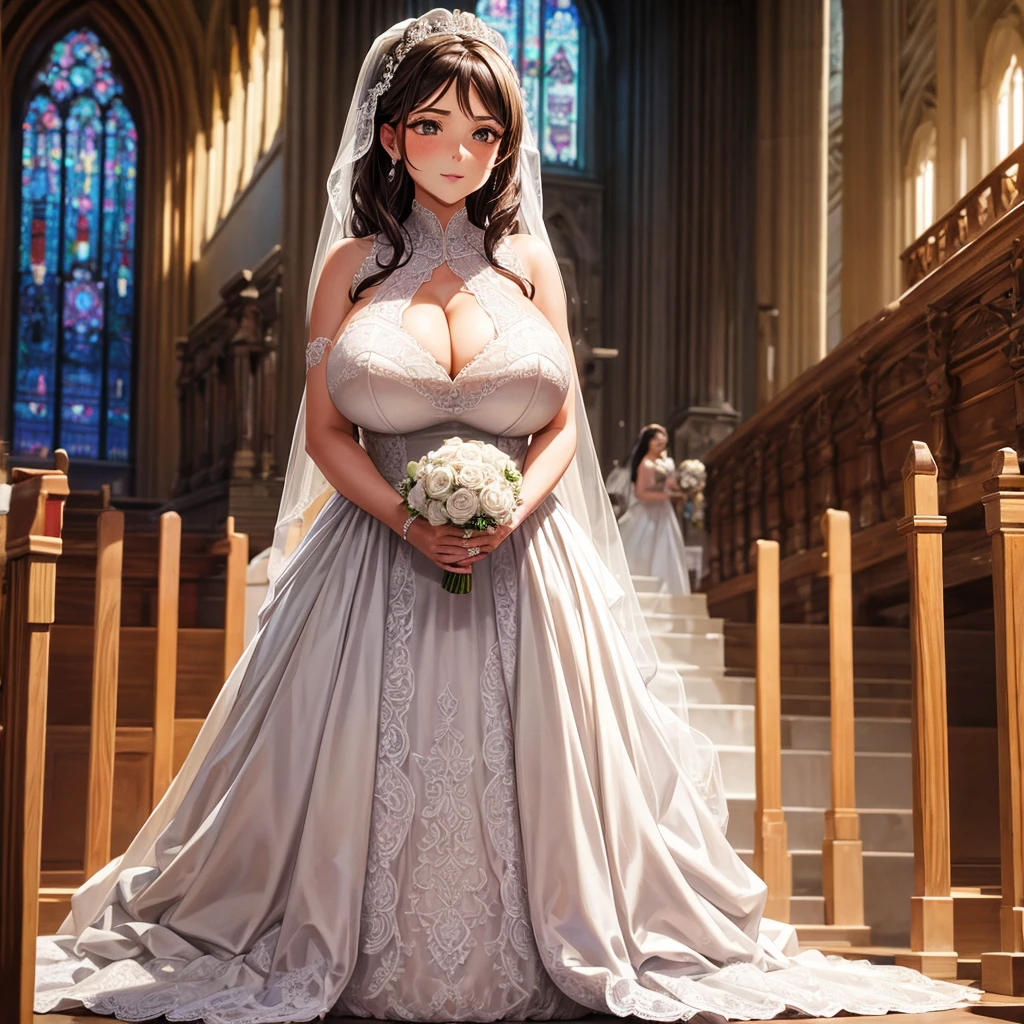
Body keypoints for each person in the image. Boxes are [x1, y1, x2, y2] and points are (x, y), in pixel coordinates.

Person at [35, 10, 977, 1021]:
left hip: (527, 558)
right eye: (436, 127)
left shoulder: (531, 264)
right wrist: (410, 520)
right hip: (372, 557)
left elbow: (564, 427)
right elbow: (323, 432)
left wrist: (509, 513)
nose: (461, 153)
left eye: (484, 135)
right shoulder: (347, 266)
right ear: (392, 136)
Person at [617, 423, 692, 595]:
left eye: (663, 439)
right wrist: (668, 496)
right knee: (644, 548)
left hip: (664, 512)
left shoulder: (665, 462)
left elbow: (670, 483)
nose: (661, 442)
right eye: (656, 439)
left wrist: (684, 487)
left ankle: (666, 588)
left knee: (667, 549)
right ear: (648, 442)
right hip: (648, 512)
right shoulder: (645, 464)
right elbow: (641, 493)